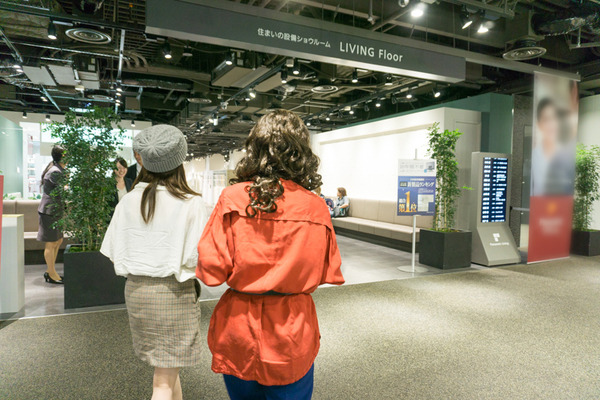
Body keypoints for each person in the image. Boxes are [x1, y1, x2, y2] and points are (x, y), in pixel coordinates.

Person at [197, 109, 344, 400]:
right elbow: (328, 271)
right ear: (301, 151)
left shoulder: (232, 198)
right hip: (292, 329)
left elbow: (211, 272)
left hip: (239, 326)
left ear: (256, 148)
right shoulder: (316, 207)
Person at [100, 125, 207, 400]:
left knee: (168, 370)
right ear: (179, 160)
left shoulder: (128, 201)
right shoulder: (191, 203)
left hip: (137, 292)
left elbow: (113, 250)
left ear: (143, 160)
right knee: (162, 382)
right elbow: (199, 257)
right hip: (174, 294)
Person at [37, 145, 65, 284]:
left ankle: (51, 271)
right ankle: (51, 274)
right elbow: (62, 190)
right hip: (49, 211)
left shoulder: (58, 169)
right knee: (51, 242)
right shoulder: (55, 172)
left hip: (54, 210)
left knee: (58, 240)